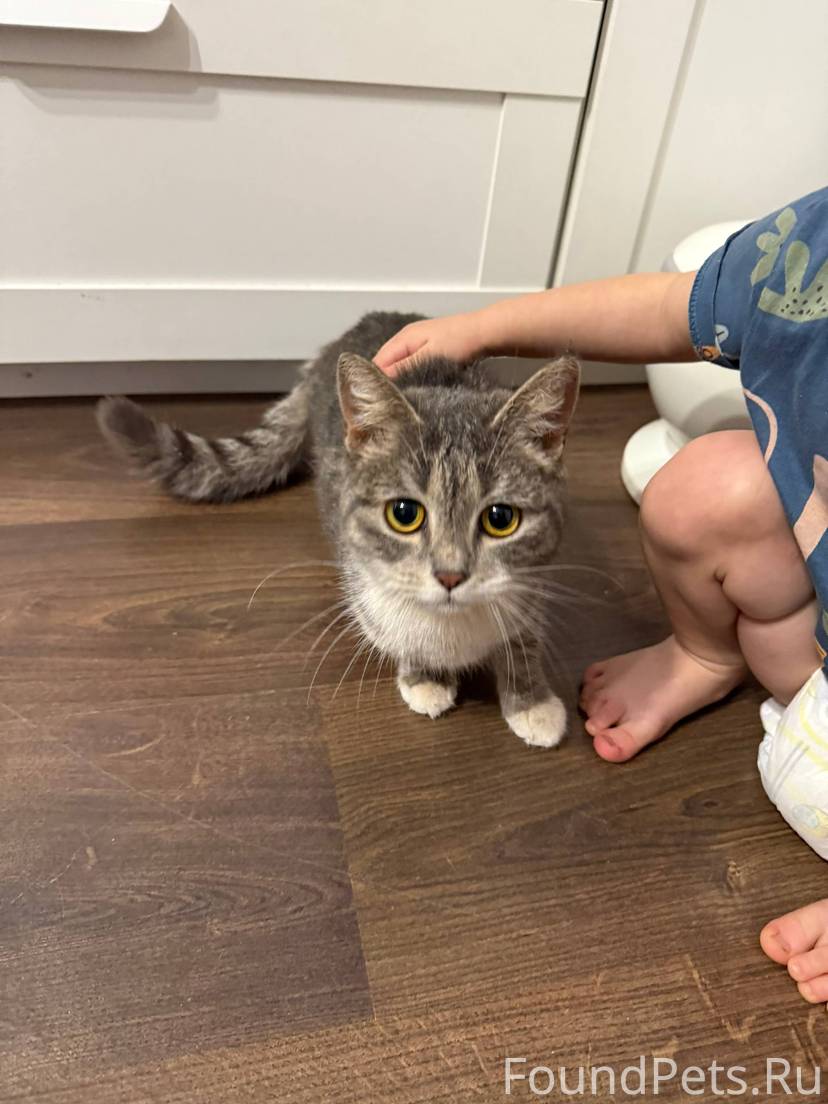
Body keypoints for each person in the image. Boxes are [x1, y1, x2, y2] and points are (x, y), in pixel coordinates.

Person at [374, 187, 828, 1008]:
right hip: (812, 595)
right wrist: (482, 329)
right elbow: (667, 308)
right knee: (694, 492)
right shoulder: (811, 252)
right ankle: (703, 652)